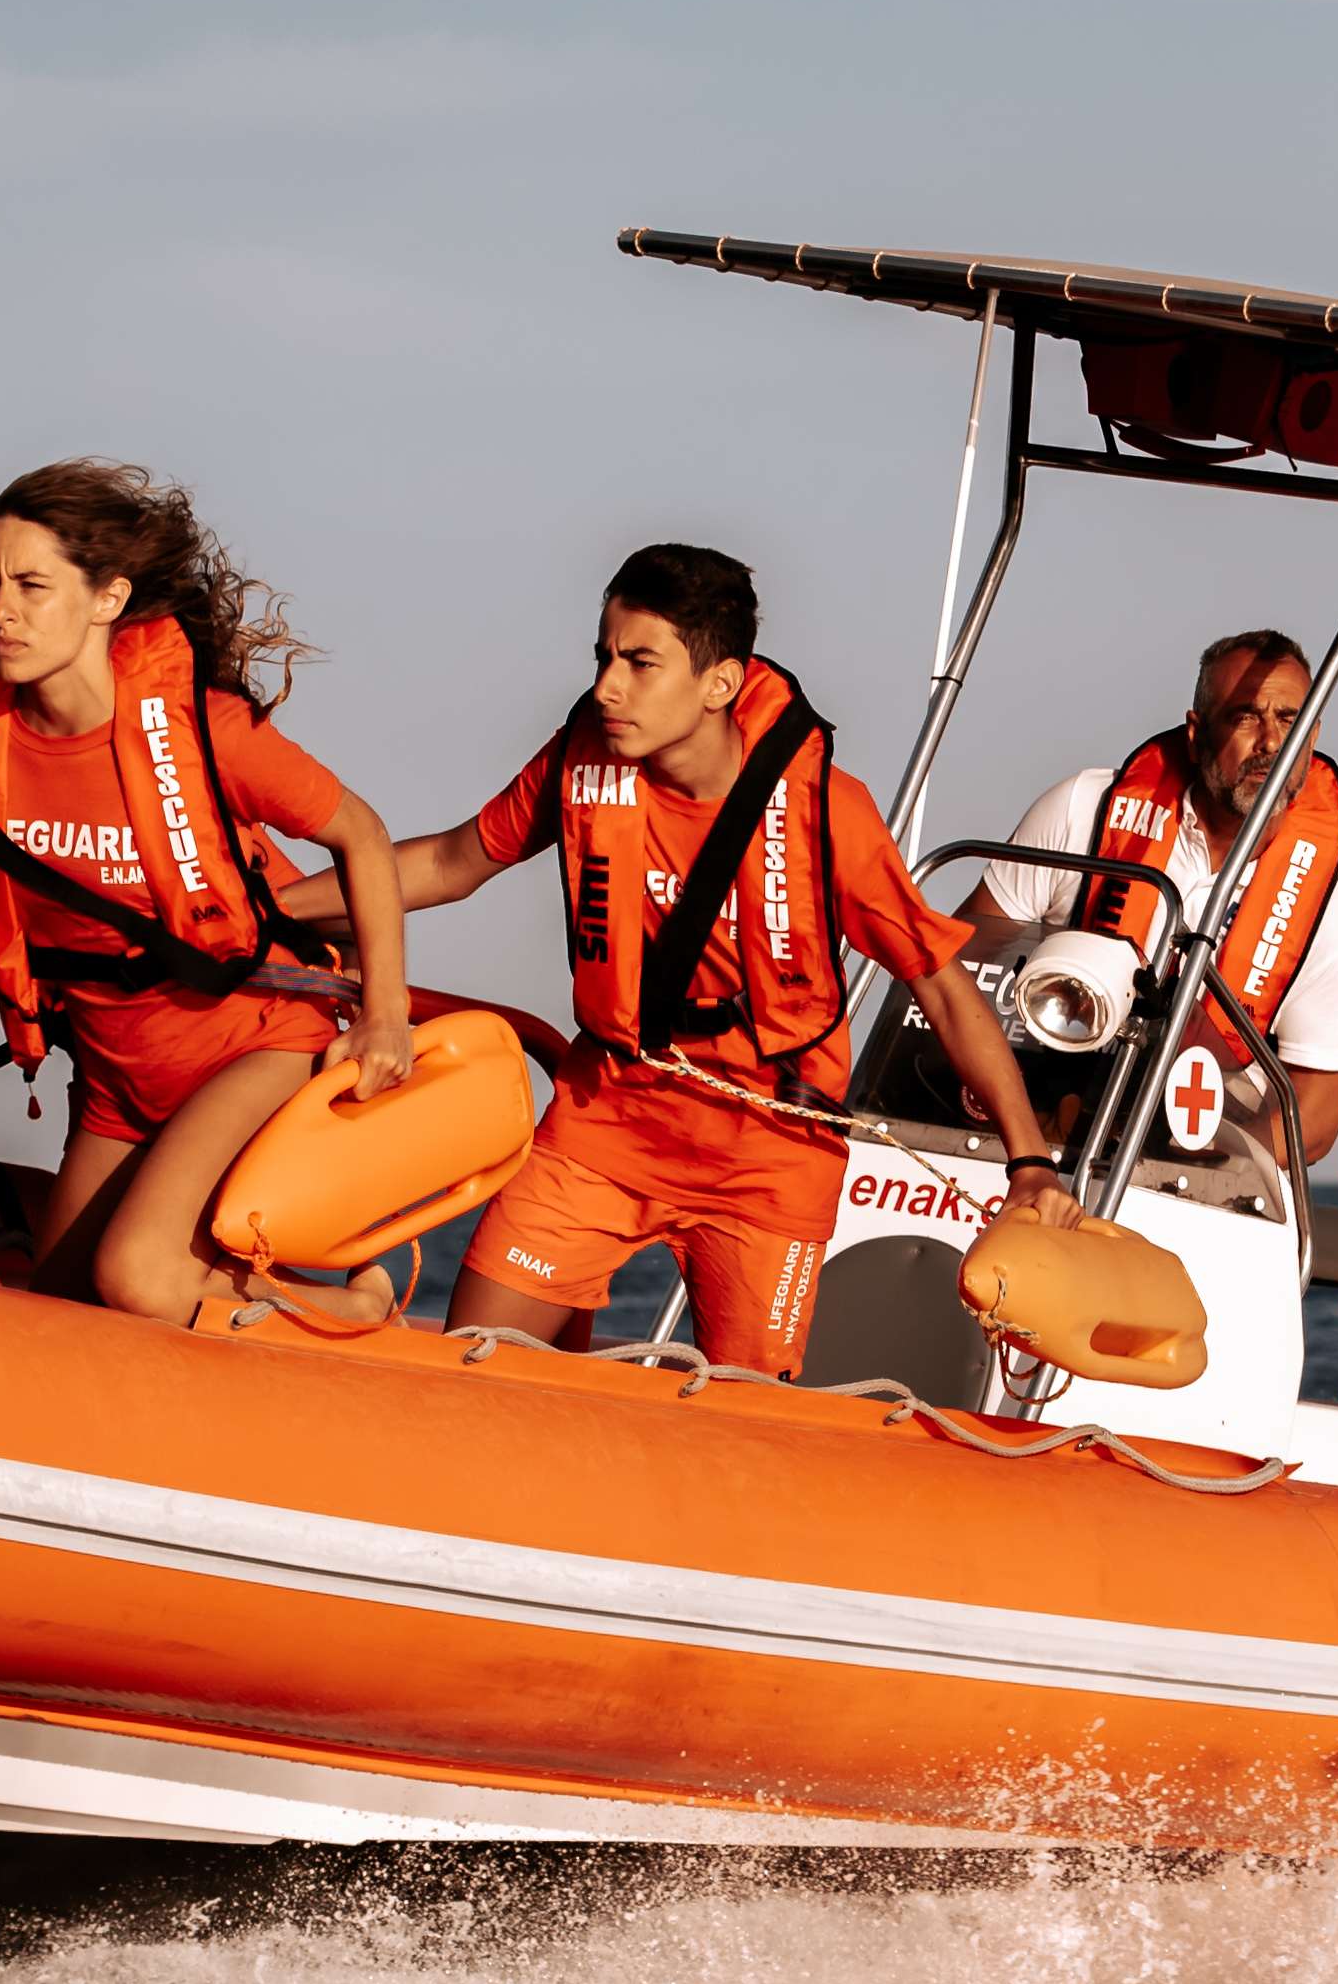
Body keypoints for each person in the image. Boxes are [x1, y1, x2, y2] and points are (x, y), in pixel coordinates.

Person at [298, 543, 1071, 1374]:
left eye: (639, 663)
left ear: (719, 684)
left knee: (747, 1414)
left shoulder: (827, 816)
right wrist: (267, 906)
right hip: (603, 1125)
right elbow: (452, 862)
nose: (607, 687)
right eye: (603, 657)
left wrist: (1028, 1161)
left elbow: (943, 989)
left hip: (767, 1160)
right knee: (472, 1369)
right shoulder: (581, 763)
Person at [0, 460, 420, 1323]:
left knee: (136, 1278)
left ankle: (359, 1308)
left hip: (252, 1045)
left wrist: (385, 1013)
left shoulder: (207, 731)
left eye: (31, 585)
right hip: (116, 1074)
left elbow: (362, 834)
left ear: (107, 598)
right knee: (62, 1301)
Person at [973, 626, 1338, 1164]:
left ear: (1313, 736)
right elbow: (958, 966)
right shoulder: (1079, 812)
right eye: (1245, 717)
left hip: (1191, 1160)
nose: (1271, 744)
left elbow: (1315, 1119)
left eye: (1290, 721)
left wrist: (1179, 1165)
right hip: (1020, 1128)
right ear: (1196, 732)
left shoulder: (1337, 916)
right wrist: (1023, 1129)